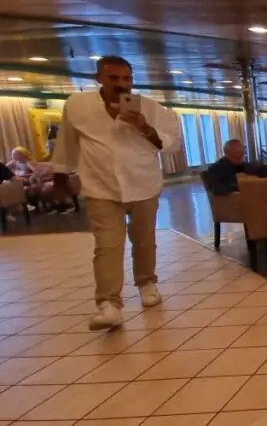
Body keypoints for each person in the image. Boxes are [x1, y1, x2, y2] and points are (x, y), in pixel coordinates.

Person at [50, 56, 180, 330]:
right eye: (114, 78)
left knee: (144, 239)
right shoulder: (78, 105)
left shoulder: (149, 107)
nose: (122, 85)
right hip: (101, 185)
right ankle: (109, 303)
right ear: (99, 78)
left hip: (142, 184)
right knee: (107, 245)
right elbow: (68, 142)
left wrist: (143, 127)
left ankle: (146, 283)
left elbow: (169, 144)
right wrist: (59, 177)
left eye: (127, 79)